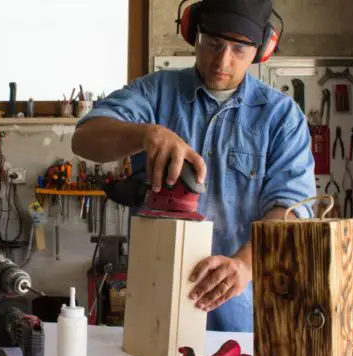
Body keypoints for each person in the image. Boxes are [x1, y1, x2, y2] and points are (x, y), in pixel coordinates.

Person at [71, 0, 316, 332]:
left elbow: (291, 210)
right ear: (192, 33)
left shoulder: (282, 118)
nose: (222, 60)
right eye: (213, 44)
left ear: (262, 50)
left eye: (239, 50)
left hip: (246, 317)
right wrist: (146, 133)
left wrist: (245, 265)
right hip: (157, 308)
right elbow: (84, 138)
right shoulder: (154, 93)